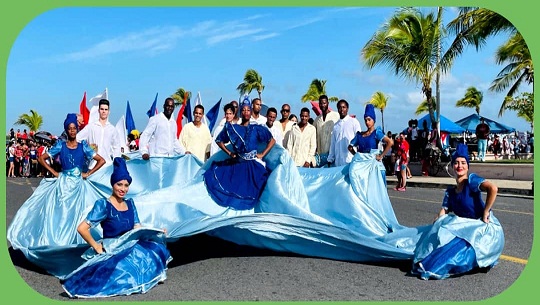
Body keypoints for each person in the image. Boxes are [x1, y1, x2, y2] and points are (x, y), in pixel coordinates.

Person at [61, 157, 171, 298]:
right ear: (113, 184)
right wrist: (96, 246)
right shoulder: (103, 205)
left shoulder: (130, 203)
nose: (123, 189)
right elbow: (82, 228)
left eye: (126, 185)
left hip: (130, 245)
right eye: (119, 184)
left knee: (154, 250)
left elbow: (138, 228)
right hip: (112, 248)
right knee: (118, 273)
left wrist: (157, 231)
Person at [412, 143, 504, 280]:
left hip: (481, 229)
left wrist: (486, 212)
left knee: (457, 254)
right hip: (464, 231)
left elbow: (493, 189)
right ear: (452, 166)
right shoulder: (450, 192)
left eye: (463, 163)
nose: (459, 166)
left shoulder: (471, 181)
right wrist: (436, 224)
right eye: (456, 163)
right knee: (435, 244)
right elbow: (443, 211)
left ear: (467, 166)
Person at [204, 101, 276, 210]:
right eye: (243, 110)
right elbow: (219, 140)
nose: (246, 112)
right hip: (238, 164)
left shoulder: (257, 128)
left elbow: (272, 140)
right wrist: (229, 153)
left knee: (261, 187)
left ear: (251, 112)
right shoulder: (233, 128)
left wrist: (263, 153)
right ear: (240, 112)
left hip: (253, 166)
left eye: (248, 110)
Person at [76, 99, 121, 165]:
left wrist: (117, 163)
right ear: (98, 110)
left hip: (107, 165)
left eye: (106, 109)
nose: (104, 111)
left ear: (109, 111)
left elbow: (117, 148)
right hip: (93, 166)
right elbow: (77, 139)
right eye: (102, 109)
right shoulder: (90, 127)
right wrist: (86, 149)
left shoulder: (112, 129)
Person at [326, 99, 361, 167]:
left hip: (350, 160)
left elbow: (359, 139)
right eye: (339, 107)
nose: (342, 109)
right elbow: (333, 144)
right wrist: (330, 159)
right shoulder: (336, 126)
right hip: (338, 162)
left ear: (347, 109)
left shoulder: (354, 122)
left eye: (343, 107)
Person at [313, 95, 340, 167]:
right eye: (321, 103)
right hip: (320, 155)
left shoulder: (336, 116)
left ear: (328, 103)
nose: (322, 105)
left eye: (324, 103)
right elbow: (313, 137)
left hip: (332, 154)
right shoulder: (317, 120)